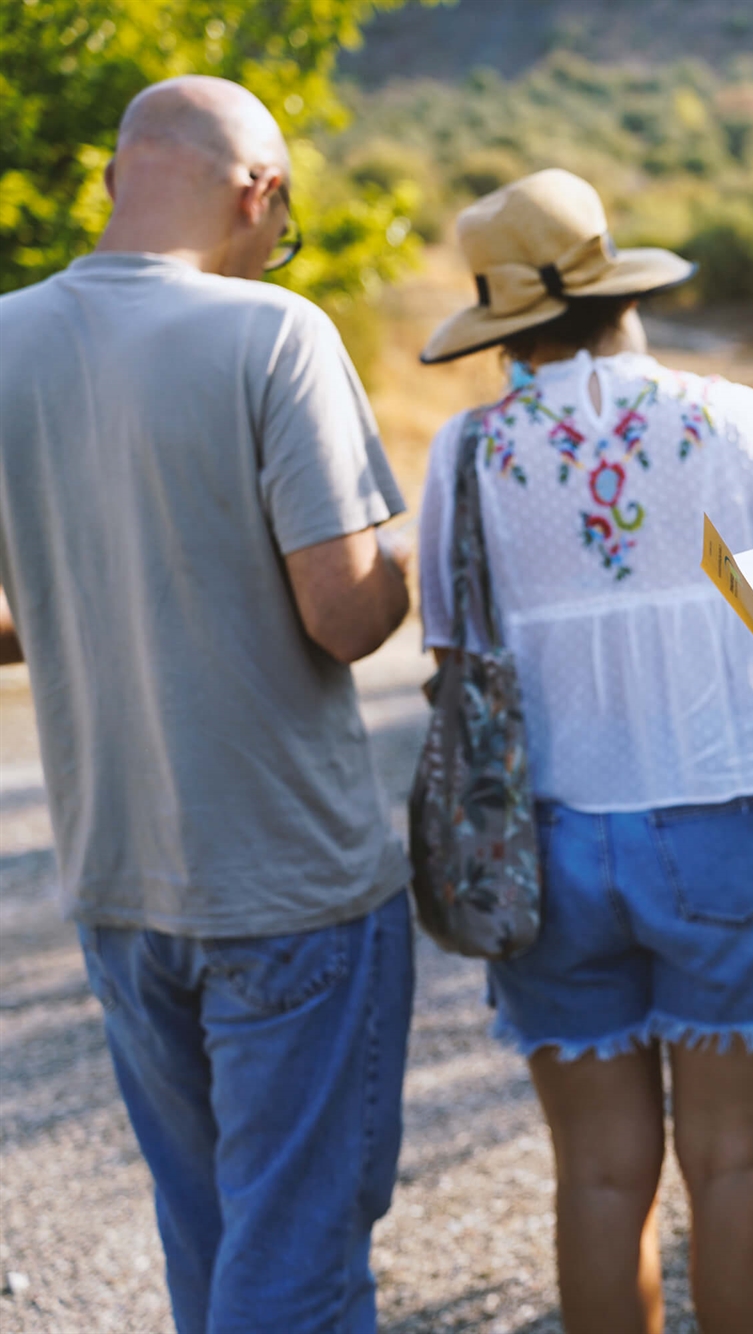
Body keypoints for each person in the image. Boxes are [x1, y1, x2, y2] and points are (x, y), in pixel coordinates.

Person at [0, 77, 415, 1332]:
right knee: (298, 1263)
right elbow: (342, 614)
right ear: (260, 192)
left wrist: (96, 595)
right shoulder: (273, 333)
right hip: (289, 880)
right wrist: (417, 545)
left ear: (121, 176)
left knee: (216, 1245)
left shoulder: (6, 335)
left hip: (120, 883)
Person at [416, 169, 753, 1334]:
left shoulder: (462, 456)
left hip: (547, 842)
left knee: (600, 1175)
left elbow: (452, 648)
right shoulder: (745, 422)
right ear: (621, 288)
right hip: (732, 820)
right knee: (739, 1166)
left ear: (505, 323)